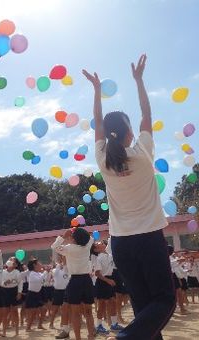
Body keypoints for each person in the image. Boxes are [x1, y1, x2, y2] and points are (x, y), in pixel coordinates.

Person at [84, 54, 176, 340]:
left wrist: (96, 92)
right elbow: (147, 114)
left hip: (121, 244)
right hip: (148, 239)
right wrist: (139, 80)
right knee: (164, 301)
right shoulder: (143, 154)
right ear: (129, 133)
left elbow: (98, 122)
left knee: (144, 308)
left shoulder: (102, 159)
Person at [51, 228, 96, 340]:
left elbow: (54, 247)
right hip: (87, 280)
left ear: (74, 238)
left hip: (75, 281)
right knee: (89, 311)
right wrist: (76, 232)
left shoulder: (69, 248)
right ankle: (91, 336)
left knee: (75, 313)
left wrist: (64, 236)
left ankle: (78, 338)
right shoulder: (87, 246)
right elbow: (90, 237)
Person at [94, 241, 124, 335]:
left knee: (113, 302)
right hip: (103, 281)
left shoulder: (109, 255)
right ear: (96, 249)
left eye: (102, 243)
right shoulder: (98, 258)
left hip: (109, 279)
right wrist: (108, 280)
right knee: (102, 304)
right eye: (98, 244)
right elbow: (97, 273)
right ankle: (98, 325)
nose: (101, 243)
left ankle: (114, 324)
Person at [0, 260, 23, 337]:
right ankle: (4, 332)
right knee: (5, 312)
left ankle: (17, 331)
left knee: (15, 311)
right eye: (11, 261)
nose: (12, 263)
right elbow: (0, 281)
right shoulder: (3, 272)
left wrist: (19, 292)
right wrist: (4, 283)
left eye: (14, 262)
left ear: (15, 265)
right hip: (4, 291)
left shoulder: (17, 272)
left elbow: (20, 282)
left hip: (13, 291)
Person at [50, 255, 69, 333]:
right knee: (55, 309)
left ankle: (62, 323)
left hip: (65, 291)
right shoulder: (54, 270)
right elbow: (54, 274)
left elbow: (66, 267)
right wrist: (58, 263)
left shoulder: (66, 269)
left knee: (64, 309)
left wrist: (64, 261)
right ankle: (51, 323)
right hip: (57, 291)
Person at [25, 259, 45, 331]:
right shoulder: (31, 273)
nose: (40, 264)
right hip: (32, 294)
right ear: (34, 265)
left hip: (38, 294)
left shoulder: (39, 273)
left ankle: (40, 325)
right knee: (33, 312)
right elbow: (38, 280)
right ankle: (28, 327)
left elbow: (42, 280)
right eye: (39, 263)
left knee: (43, 309)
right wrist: (45, 273)